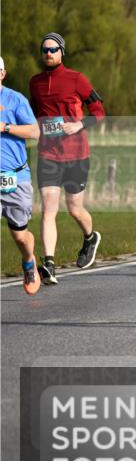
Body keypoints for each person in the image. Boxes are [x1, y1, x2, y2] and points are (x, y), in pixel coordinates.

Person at [29, 32, 106, 284]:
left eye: (53, 49)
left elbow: (99, 111)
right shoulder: (35, 82)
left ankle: (90, 237)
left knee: (74, 209)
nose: (48, 53)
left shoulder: (77, 79)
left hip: (76, 154)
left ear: (62, 52)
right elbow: (32, 114)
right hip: (48, 154)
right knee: (48, 210)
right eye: (45, 50)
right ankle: (48, 263)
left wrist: (79, 125)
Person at [1, 57, 42, 295]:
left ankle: (28, 262)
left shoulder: (15, 100)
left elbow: (35, 131)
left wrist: (5, 127)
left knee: (20, 236)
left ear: (2, 73)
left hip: (16, 179)